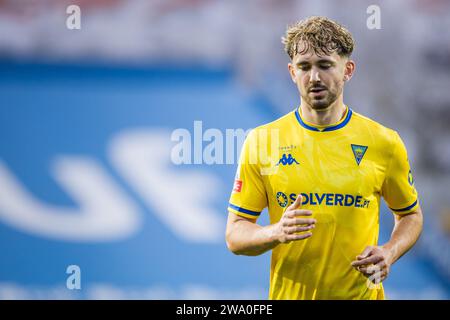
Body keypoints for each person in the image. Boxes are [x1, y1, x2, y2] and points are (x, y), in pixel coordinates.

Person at [225, 16, 423, 300]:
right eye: (304, 67)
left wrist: (389, 251)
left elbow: (410, 215)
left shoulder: (384, 142)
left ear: (348, 70)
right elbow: (235, 235)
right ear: (292, 73)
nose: (314, 77)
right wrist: (276, 232)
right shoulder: (262, 141)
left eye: (325, 65)